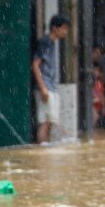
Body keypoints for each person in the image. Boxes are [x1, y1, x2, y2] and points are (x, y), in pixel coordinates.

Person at [33, 14, 69, 143]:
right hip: (46, 86)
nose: (66, 31)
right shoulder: (45, 43)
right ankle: (43, 151)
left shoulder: (51, 44)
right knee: (45, 122)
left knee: (48, 123)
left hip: (49, 86)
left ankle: (44, 151)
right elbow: (35, 65)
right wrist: (43, 88)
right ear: (55, 28)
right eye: (64, 28)